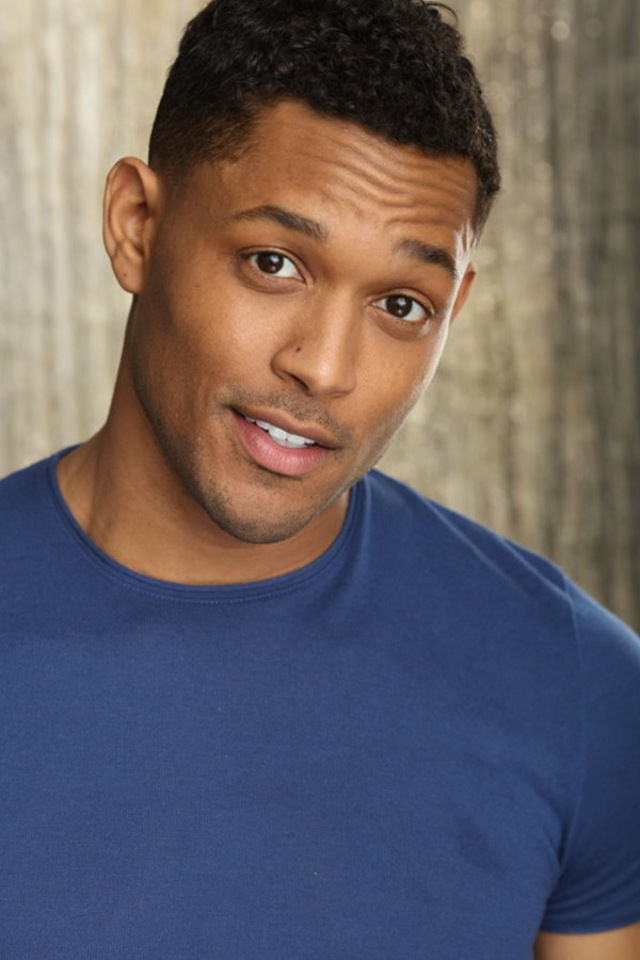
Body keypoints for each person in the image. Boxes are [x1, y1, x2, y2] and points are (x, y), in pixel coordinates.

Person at [1, 0, 638, 956]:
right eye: (274, 262)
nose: (326, 368)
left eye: (401, 305)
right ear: (137, 226)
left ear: (456, 307)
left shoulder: (578, 689)